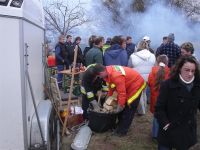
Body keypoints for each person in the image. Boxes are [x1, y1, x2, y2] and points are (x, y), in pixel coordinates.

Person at [155, 56, 200, 150]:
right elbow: (159, 108)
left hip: (187, 130)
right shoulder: (168, 85)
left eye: (193, 71)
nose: (190, 74)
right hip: (169, 128)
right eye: (187, 70)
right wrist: (165, 123)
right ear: (180, 69)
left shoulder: (197, 86)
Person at [95, 64, 146, 136]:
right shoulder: (108, 72)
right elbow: (111, 86)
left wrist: (120, 107)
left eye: (99, 76)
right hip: (127, 84)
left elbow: (122, 93)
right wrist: (109, 97)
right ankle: (119, 125)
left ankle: (122, 131)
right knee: (122, 104)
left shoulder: (116, 76)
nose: (99, 78)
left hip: (136, 84)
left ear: (101, 73)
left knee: (129, 108)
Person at [148, 55, 170, 139]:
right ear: (167, 62)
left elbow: (149, 83)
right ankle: (163, 134)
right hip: (166, 100)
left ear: (157, 62)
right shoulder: (170, 72)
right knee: (164, 116)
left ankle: (155, 134)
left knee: (156, 117)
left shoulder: (153, 70)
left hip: (155, 98)